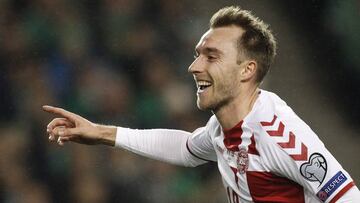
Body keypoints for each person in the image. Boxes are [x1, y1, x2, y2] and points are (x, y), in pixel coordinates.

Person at [43, 6, 360, 203]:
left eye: (211, 56)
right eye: (198, 54)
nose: (194, 67)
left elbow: (347, 196)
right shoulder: (224, 127)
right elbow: (186, 149)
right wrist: (101, 132)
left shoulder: (278, 136)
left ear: (246, 70)